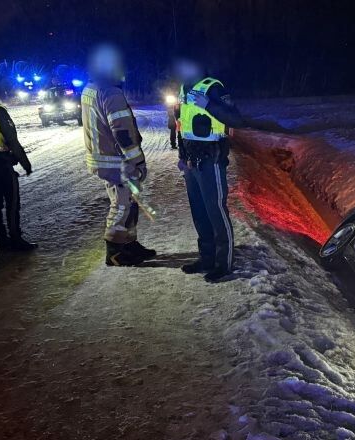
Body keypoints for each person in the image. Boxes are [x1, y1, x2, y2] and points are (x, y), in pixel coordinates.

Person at [81, 44, 156, 266]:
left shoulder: (90, 89)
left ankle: (129, 245)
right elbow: (122, 132)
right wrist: (137, 161)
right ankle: (114, 251)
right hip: (116, 161)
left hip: (103, 158)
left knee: (130, 201)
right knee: (122, 203)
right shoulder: (111, 92)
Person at [174, 58, 246, 282]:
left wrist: (208, 105)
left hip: (211, 160)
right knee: (200, 213)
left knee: (216, 211)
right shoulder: (183, 89)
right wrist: (181, 156)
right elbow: (181, 125)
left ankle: (223, 264)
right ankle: (206, 258)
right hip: (191, 163)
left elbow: (236, 119)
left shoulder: (214, 87)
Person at [0, 81, 37, 251]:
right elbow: (12, 139)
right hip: (2, 162)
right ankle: (16, 239)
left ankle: (2, 240)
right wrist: (25, 163)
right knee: (12, 203)